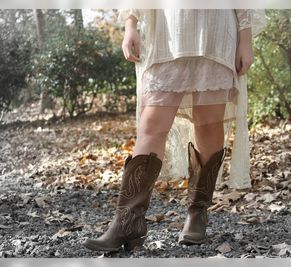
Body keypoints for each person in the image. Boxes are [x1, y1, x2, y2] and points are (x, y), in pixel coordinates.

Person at [83, 9, 267, 252]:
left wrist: (245, 38)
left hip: (215, 33)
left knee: (209, 123)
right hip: (167, 33)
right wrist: (130, 26)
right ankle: (127, 222)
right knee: (151, 124)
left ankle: (196, 216)